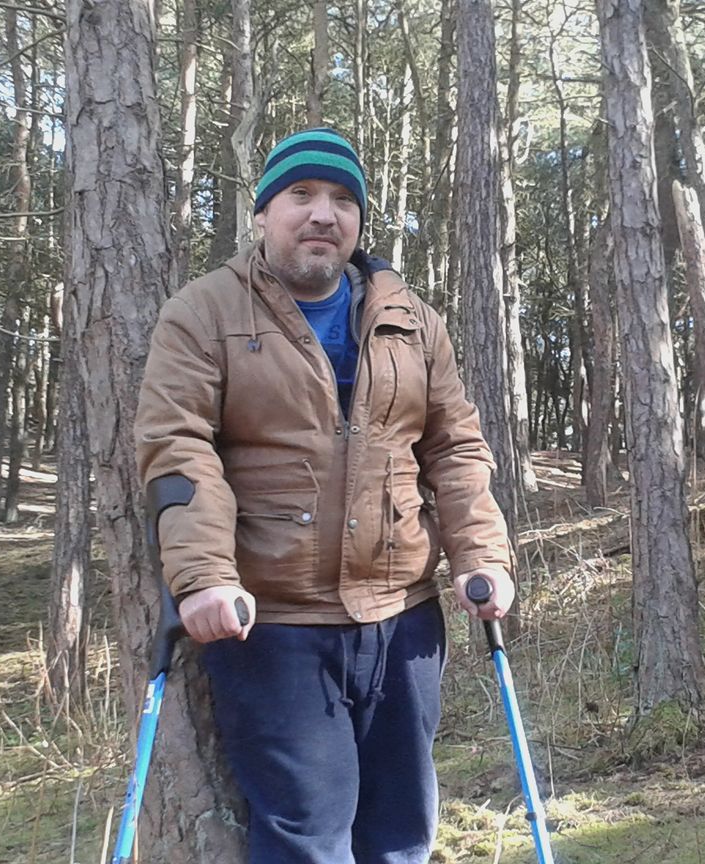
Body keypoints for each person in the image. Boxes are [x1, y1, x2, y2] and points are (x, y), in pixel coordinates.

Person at [134, 127, 515, 864]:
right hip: (273, 624)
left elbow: (455, 449)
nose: (322, 214)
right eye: (301, 195)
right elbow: (179, 452)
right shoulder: (204, 313)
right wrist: (204, 576)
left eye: (343, 200)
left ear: (359, 222)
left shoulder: (411, 321)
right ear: (263, 214)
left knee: (402, 834)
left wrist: (484, 556)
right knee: (308, 836)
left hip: (403, 618)